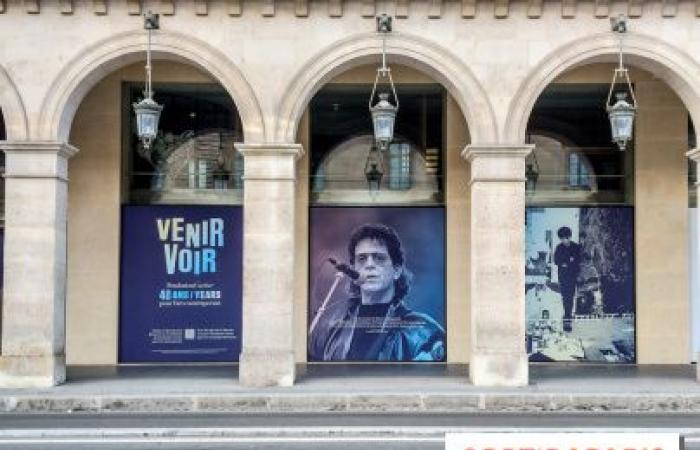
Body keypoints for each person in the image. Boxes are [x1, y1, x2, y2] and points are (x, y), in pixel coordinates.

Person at [309, 224, 445, 361]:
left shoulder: (423, 331)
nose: (369, 265)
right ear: (353, 270)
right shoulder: (332, 326)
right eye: (362, 259)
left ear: (397, 271)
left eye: (379, 258)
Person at [553, 226, 581, 332]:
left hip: (573, 277)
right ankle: (567, 317)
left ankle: (568, 317)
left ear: (569, 236)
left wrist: (566, 262)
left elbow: (578, 260)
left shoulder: (576, 247)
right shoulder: (559, 247)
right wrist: (569, 260)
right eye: (562, 238)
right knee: (566, 298)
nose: (564, 240)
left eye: (566, 238)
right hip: (563, 277)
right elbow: (556, 261)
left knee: (570, 297)